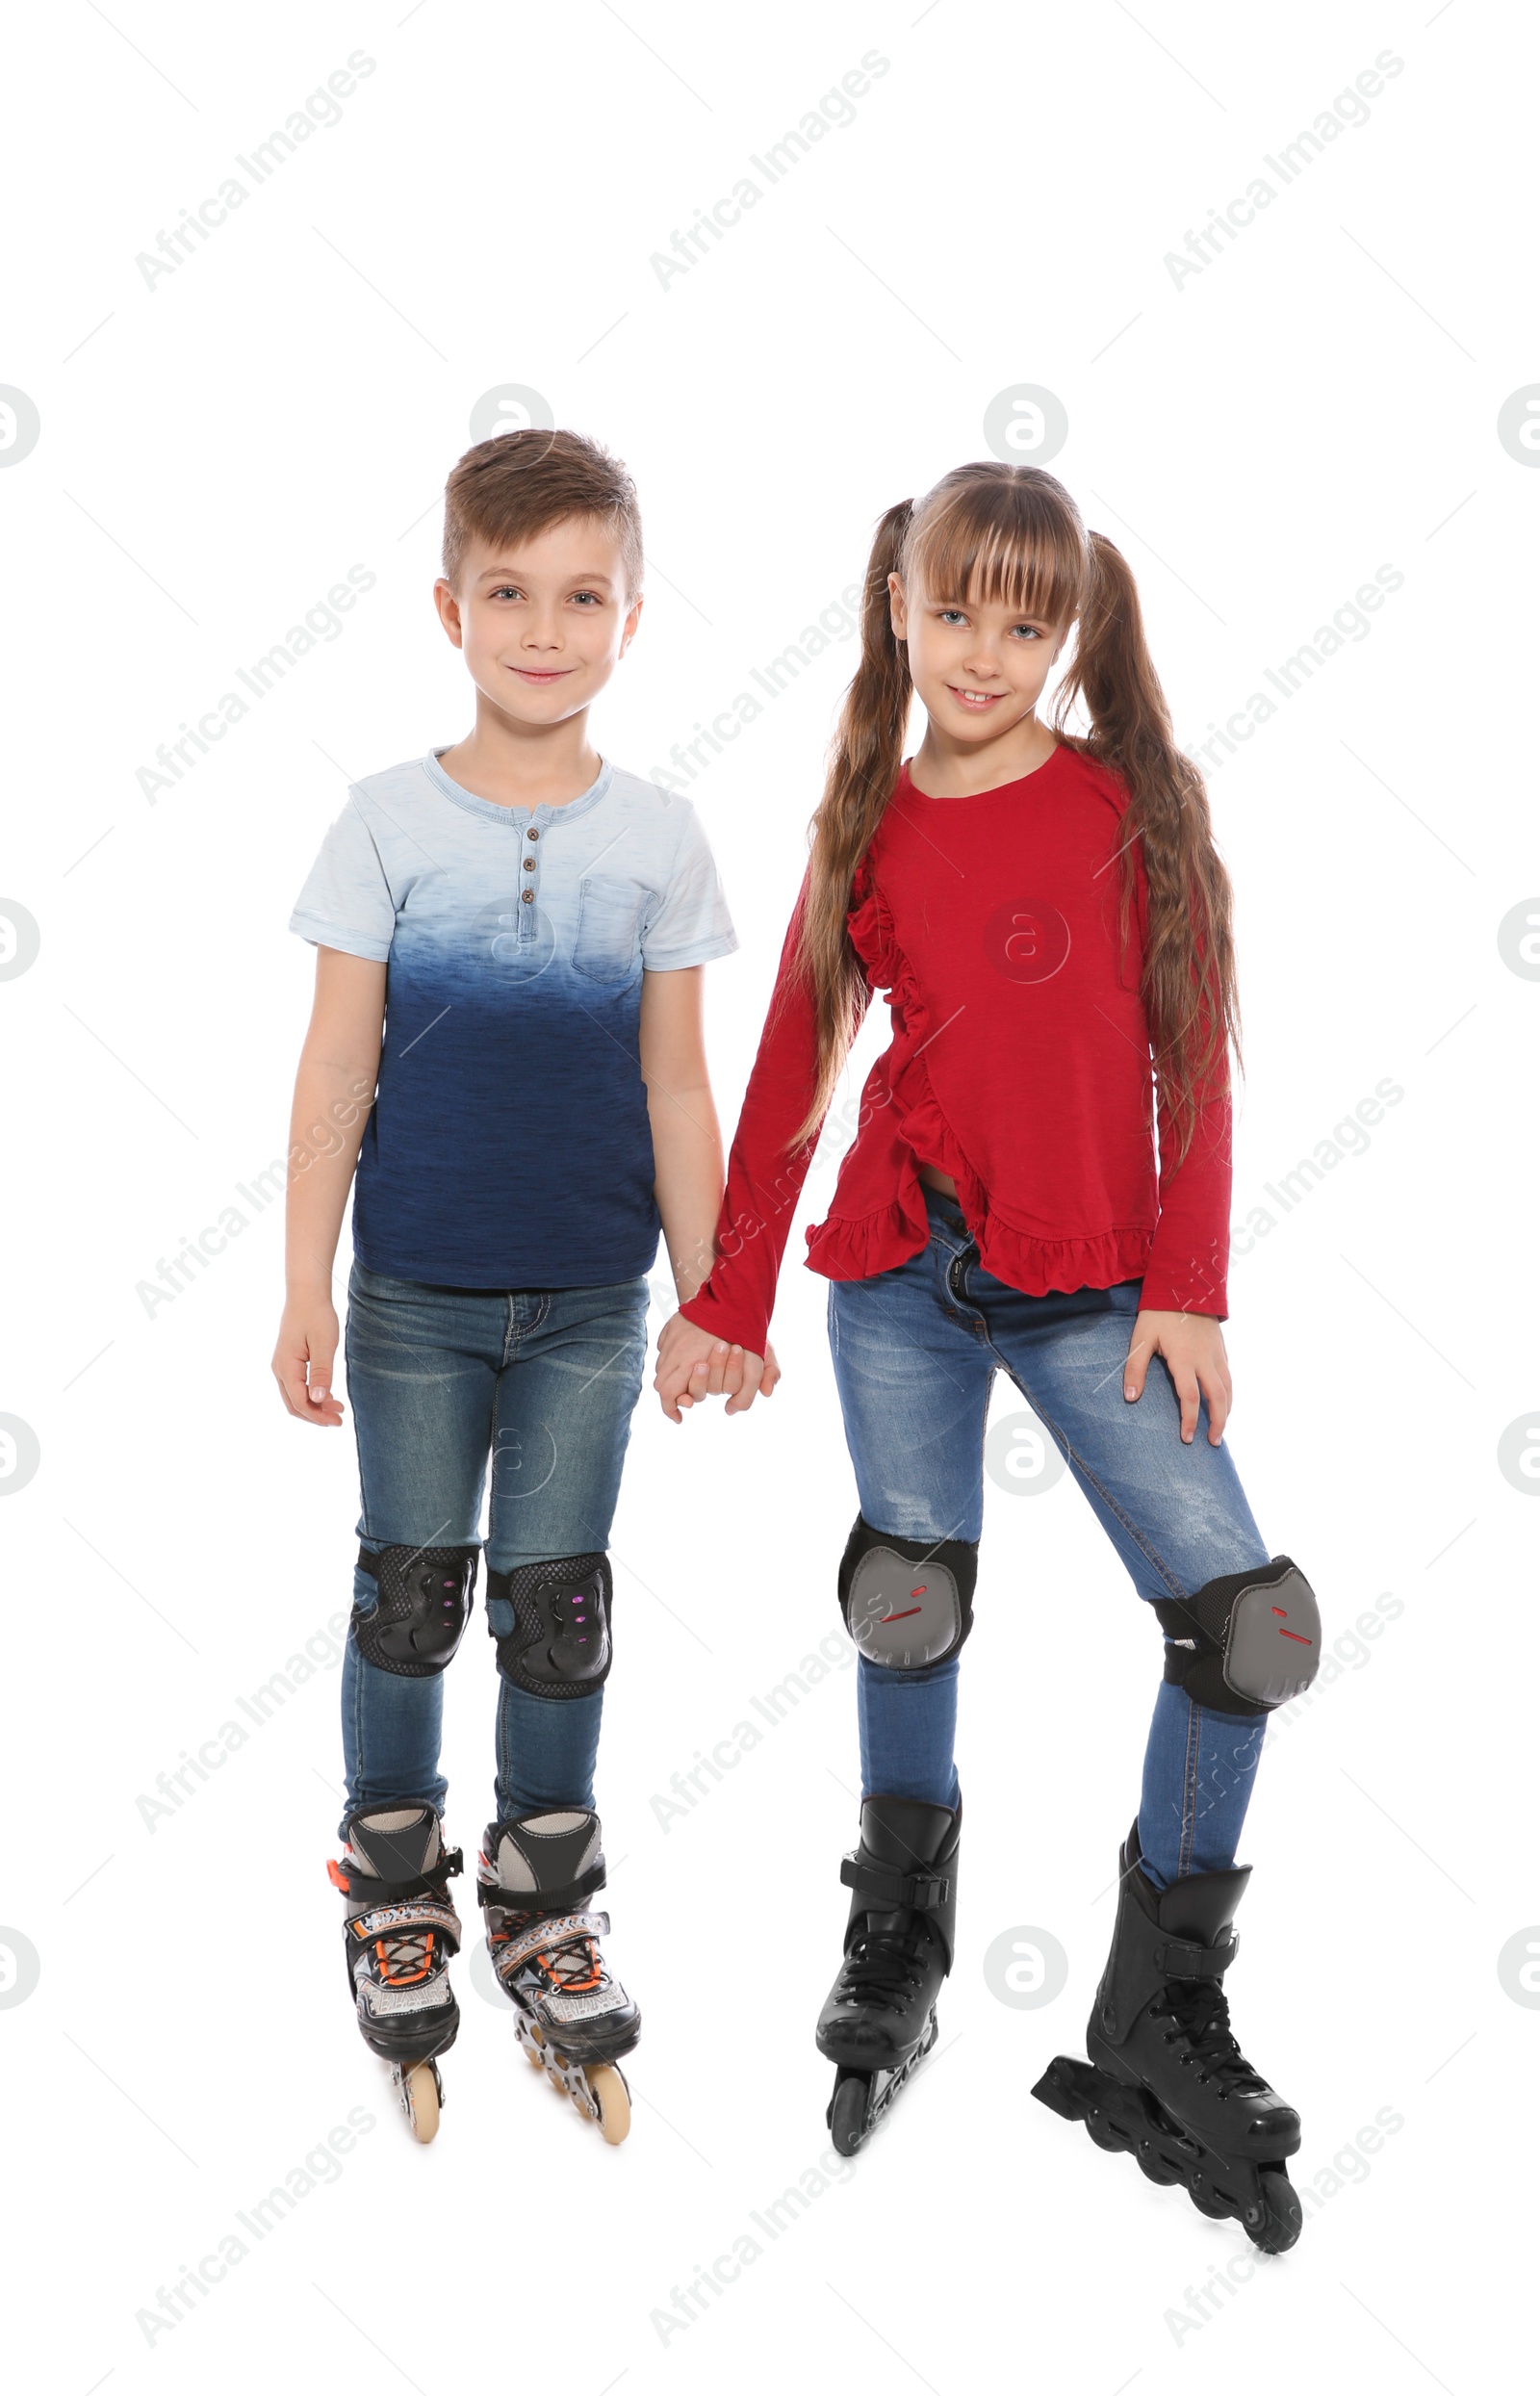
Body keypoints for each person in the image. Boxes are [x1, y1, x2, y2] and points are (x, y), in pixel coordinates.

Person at [655, 462, 1319, 2251]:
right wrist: (726, 1300)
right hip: (902, 1270)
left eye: (1026, 622)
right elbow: (796, 1061)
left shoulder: (1133, 802)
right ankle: (900, 1926)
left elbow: (1195, 1054)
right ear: (898, 603)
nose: (984, 650)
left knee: (1249, 1625)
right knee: (909, 1594)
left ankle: (1160, 1998)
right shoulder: (868, 817)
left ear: (1071, 628)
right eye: (955, 610)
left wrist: (1190, 1283)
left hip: (1105, 1281)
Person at [273, 427, 746, 2142]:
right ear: (450, 607)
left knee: (557, 1610)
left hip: (587, 1307)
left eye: (583, 597)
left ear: (632, 614)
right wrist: (304, 1275)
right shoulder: (387, 822)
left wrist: (717, 1291)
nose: (544, 628)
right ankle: (392, 1876)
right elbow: (338, 1058)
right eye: (509, 594)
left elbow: (679, 1084)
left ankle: (542, 1896)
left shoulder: (662, 839)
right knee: (409, 1590)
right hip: (410, 1298)